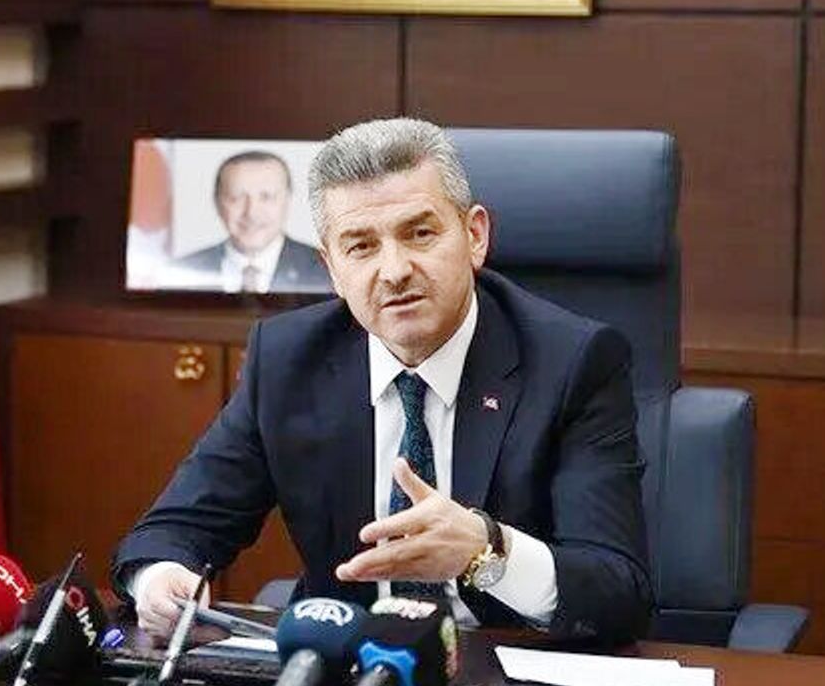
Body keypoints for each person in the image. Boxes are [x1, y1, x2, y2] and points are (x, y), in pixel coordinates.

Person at [113, 118, 651, 645]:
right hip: (347, 657)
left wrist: (486, 550)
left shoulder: (573, 362)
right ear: (332, 268)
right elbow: (173, 530)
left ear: (474, 236)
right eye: (361, 246)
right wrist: (160, 579)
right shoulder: (287, 360)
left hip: (503, 658)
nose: (394, 271)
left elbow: (617, 593)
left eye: (420, 234)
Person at [171, 151, 330, 293]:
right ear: (217, 202)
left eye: (266, 197)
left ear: (287, 200)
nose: (251, 212)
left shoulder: (328, 271)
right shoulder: (182, 272)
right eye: (236, 198)